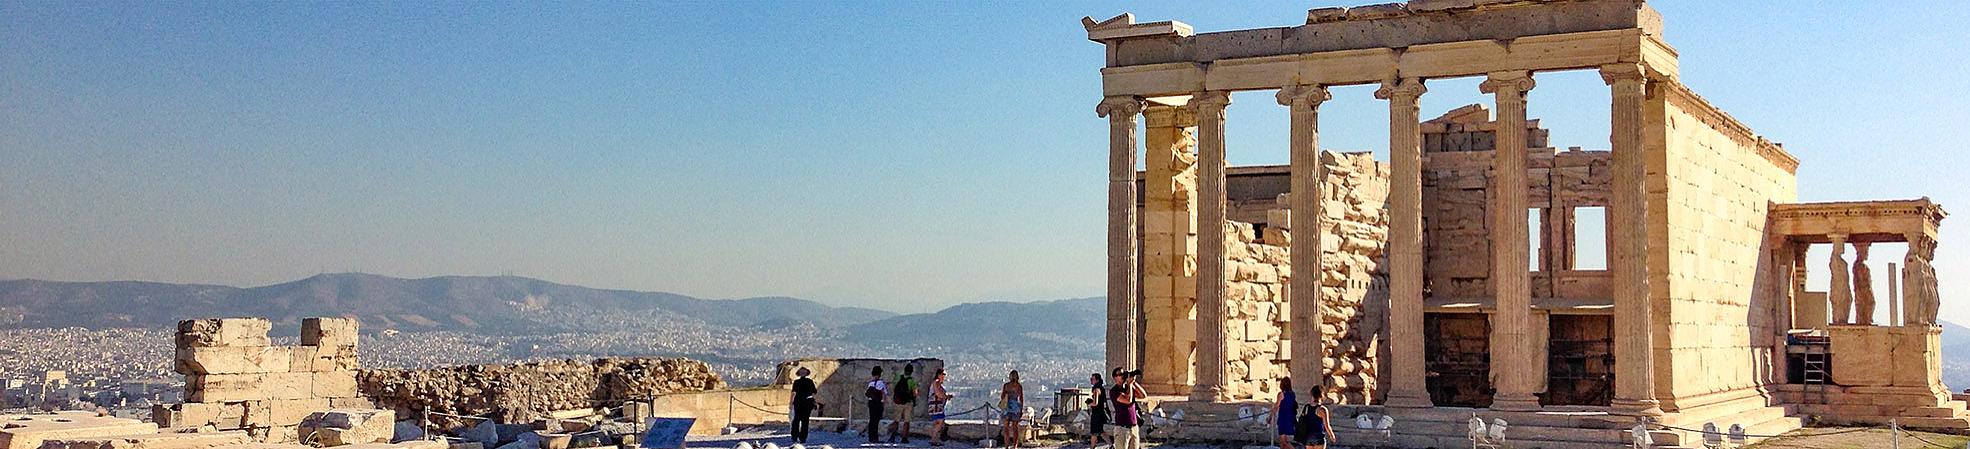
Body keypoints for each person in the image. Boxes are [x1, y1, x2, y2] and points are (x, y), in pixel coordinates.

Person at [1109, 367, 1145, 449]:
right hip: (1122, 428)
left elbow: (1143, 395)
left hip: (1134, 427)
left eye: (1123, 374)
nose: (1123, 376)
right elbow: (1128, 400)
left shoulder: (1128, 388)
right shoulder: (1114, 391)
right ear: (1115, 378)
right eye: (1120, 374)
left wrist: (1134, 382)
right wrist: (1130, 384)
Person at [889, 364, 919, 444]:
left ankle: (893, 436)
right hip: (908, 402)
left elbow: (894, 388)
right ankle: (904, 438)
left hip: (898, 402)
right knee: (907, 421)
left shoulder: (898, 377)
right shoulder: (912, 380)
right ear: (911, 372)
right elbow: (915, 393)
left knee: (896, 420)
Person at [791, 367, 818, 444]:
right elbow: (793, 393)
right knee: (799, 420)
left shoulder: (808, 381)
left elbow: (814, 393)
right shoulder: (802, 382)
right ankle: (798, 437)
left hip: (803, 402)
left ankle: (798, 437)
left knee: (801, 420)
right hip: (801, 402)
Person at [1000, 370, 1025, 448]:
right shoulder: (1019, 386)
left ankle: (1007, 445)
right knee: (1015, 428)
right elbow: (1021, 399)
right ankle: (1015, 445)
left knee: (1006, 427)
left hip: (1007, 406)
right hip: (1015, 407)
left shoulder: (1006, 385)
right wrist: (1021, 409)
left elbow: (1002, 396)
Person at [928, 369, 952, 447]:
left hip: (938, 405)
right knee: (939, 422)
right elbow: (938, 394)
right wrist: (946, 396)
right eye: (942, 375)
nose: (943, 377)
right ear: (939, 375)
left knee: (937, 423)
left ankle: (935, 439)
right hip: (935, 406)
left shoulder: (938, 383)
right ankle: (933, 440)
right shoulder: (936, 382)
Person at [1272, 377, 1297, 449]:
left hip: (1283, 419)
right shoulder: (1292, 394)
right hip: (1290, 418)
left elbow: (1276, 407)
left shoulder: (1281, 394)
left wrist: (1270, 417)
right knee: (1282, 443)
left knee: (1284, 442)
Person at [866, 366, 888, 444]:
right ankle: (875, 438)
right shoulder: (881, 383)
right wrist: (884, 403)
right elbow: (884, 393)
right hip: (878, 403)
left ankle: (870, 437)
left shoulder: (870, 383)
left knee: (871, 420)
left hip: (871, 403)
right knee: (876, 421)